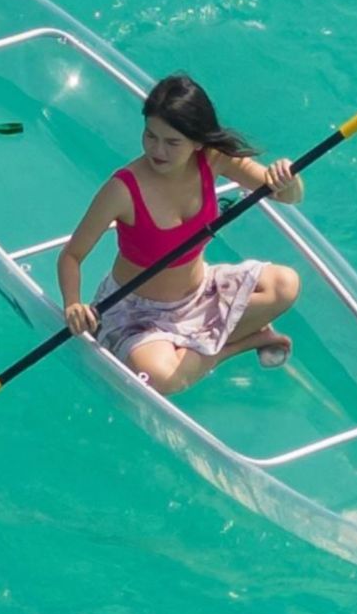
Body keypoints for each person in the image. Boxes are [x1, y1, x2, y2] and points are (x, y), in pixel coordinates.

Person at [57, 75, 304, 392]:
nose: (157, 150)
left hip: (200, 293)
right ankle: (240, 343)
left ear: (198, 141)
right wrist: (73, 304)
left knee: (285, 285)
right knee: (160, 380)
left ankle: (196, 347)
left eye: (172, 142)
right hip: (138, 313)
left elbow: (287, 196)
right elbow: (71, 256)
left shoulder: (213, 159)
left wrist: (288, 178)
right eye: (150, 136)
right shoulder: (122, 189)